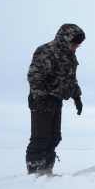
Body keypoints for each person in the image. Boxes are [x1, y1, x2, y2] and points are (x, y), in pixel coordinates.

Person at [25, 23, 85, 175]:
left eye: (77, 46)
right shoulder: (46, 51)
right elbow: (34, 75)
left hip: (56, 99)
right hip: (42, 98)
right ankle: (34, 173)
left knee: (54, 137)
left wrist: (77, 96)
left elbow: (70, 79)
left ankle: (46, 171)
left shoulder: (69, 55)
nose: (75, 48)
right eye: (73, 45)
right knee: (41, 137)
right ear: (65, 39)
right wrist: (40, 97)